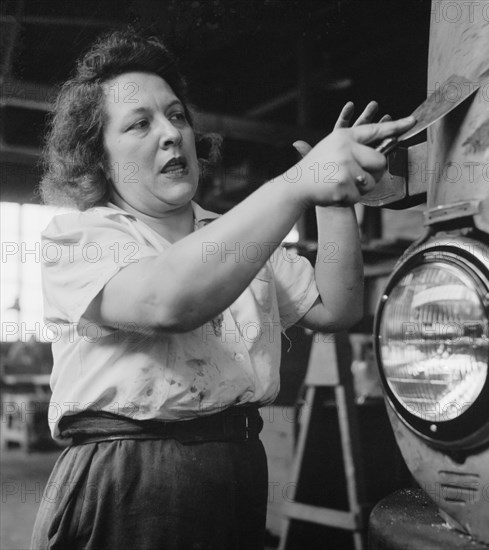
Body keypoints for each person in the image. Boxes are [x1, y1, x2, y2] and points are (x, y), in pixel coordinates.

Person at [30, 28, 415, 550]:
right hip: (129, 476)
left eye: (177, 115)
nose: (171, 134)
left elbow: (337, 308)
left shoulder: (232, 233)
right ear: (97, 157)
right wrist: (299, 181)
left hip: (236, 464)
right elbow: (169, 301)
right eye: (140, 124)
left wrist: (332, 198)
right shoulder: (80, 238)